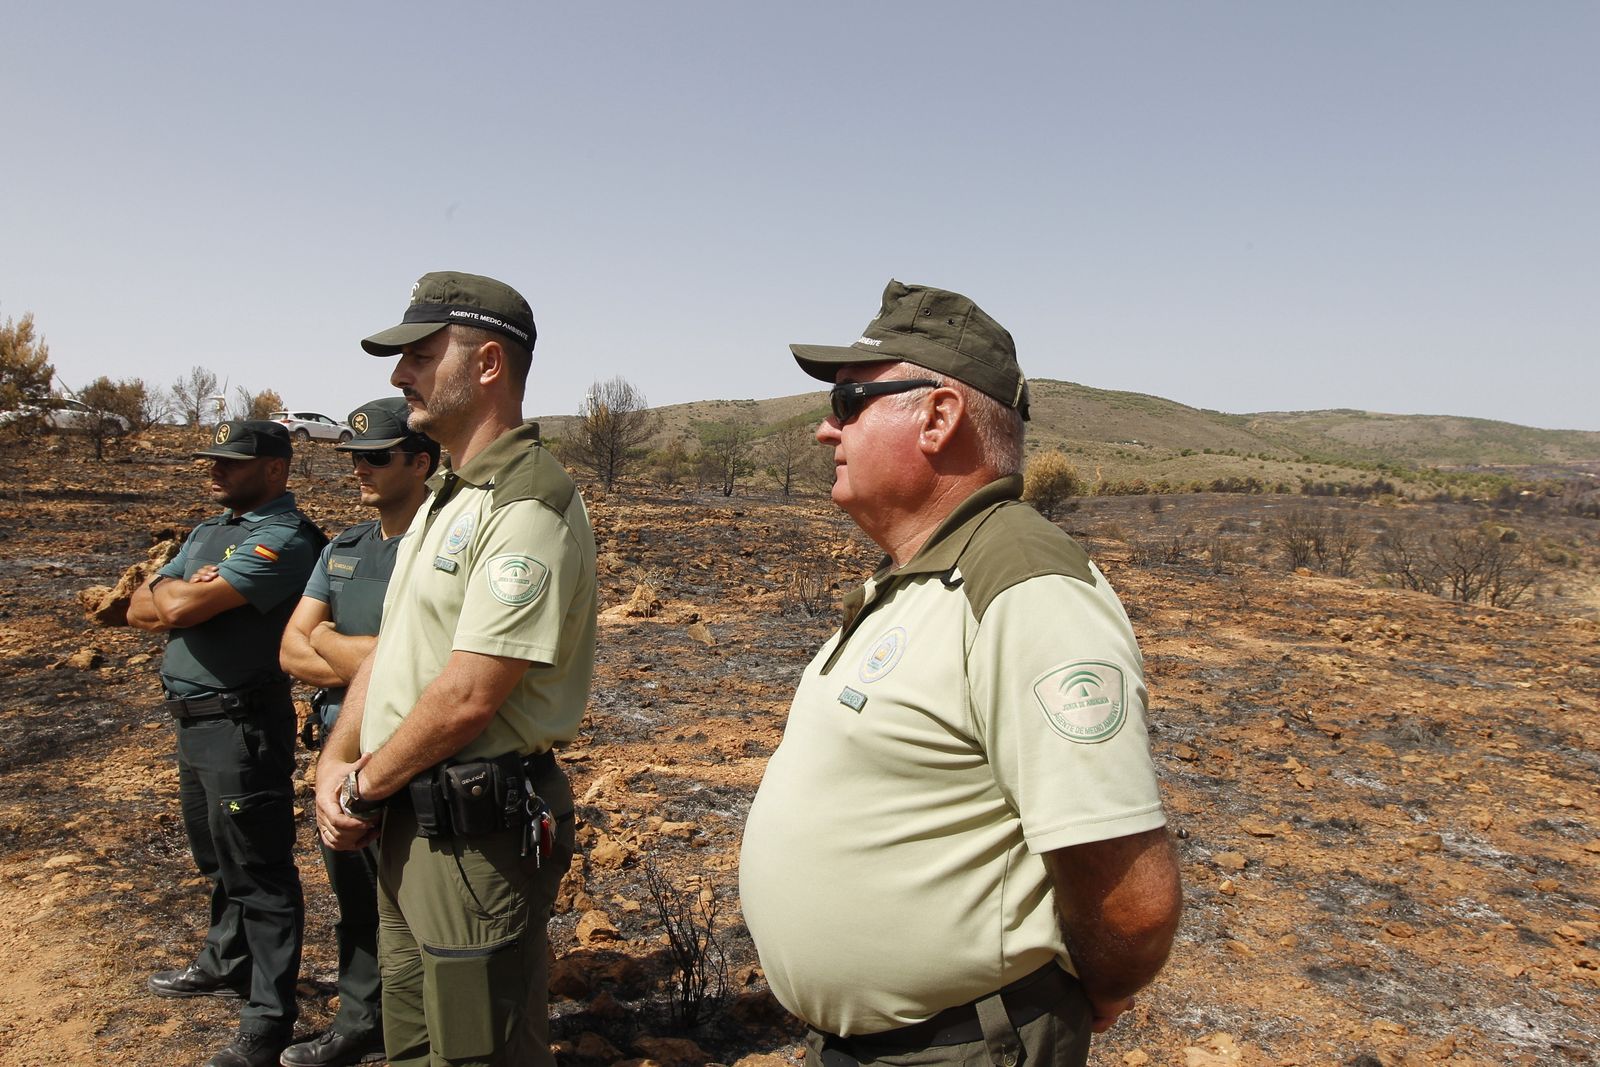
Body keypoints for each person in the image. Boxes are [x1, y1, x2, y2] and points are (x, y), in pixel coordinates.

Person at [739, 280, 1184, 1067]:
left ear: (938, 418)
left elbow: (1132, 902)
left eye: (848, 402)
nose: (824, 428)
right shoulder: (926, 574)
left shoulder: (1023, 583)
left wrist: (1095, 989)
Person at [314, 271, 598, 1067]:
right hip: (406, 820)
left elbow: (471, 693)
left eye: (420, 355)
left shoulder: (526, 503)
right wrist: (338, 756)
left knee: (481, 1054)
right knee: (411, 1046)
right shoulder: (446, 496)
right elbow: (396, 646)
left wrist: (362, 785)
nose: (398, 374)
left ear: (487, 364)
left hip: (473, 837)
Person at [129, 420, 327, 1067]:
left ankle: (268, 1019)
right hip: (192, 721)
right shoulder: (209, 531)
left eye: (232, 462)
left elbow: (174, 610)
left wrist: (180, 593)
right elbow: (138, 607)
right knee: (215, 853)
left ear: (275, 469)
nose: (215, 470)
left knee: (258, 869)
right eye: (212, 459)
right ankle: (225, 959)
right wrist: (185, 590)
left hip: (241, 723)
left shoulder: (286, 538)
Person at [278, 398, 439, 1067]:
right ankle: (359, 1020)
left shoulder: (440, 548)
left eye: (376, 456)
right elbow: (290, 648)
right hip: (338, 751)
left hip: (412, 753)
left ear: (420, 462)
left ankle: (427, 1032)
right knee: (354, 899)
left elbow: (429, 665)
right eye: (353, 457)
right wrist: (374, 654)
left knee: (420, 910)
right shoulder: (343, 548)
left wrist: (330, 639)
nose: (359, 469)